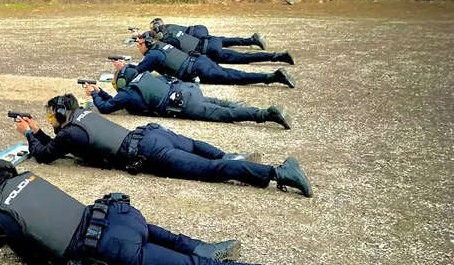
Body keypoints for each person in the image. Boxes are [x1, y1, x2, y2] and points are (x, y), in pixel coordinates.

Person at [0, 159, 334, 265]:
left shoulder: (1, 219)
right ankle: (201, 245)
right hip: (119, 215)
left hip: (111, 250)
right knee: (181, 246)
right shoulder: (31, 177)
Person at [15, 94, 311, 196]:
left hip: (149, 152)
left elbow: (44, 156)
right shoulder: (84, 116)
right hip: (153, 134)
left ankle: (275, 173)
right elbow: (56, 142)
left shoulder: (69, 135)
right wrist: (39, 130)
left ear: (62, 115)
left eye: (52, 115)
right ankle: (235, 158)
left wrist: (30, 135)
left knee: (212, 171)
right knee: (197, 147)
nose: (50, 119)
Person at [85, 60, 291, 128]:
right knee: (216, 103)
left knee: (223, 116)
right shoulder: (144, 78)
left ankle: (265, 114)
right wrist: (99, 90)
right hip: (186, 89)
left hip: (184, 104)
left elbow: (106, 108)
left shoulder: (128, 93)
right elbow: (115, 100)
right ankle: (241, 106)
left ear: (122, 82)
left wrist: (93, 95)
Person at [131, 31, 295, 88]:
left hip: (201, 68)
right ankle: (276, 58)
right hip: (201, 59)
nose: (138, 47)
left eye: (140, 43)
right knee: (241, 62)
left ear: (150, 42)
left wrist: (123, 68)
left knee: (236, 76)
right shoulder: (163, 44)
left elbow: (136, 73)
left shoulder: (153, 55)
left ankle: (272, 77)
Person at [149, 22, 294, 65]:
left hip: (210, 51)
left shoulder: (168, 41)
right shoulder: (172, 30)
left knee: (245, 58)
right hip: (209, 40)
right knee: (224, 40)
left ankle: (278, 57)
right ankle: (253, 41)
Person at [148, 18, 268, 49]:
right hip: (198, 30)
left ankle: (251, 40)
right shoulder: (169, 27)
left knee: (220, 43)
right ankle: (250, 40)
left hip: (195, 34)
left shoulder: (162, 29)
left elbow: (157, 34)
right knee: (222, 41)